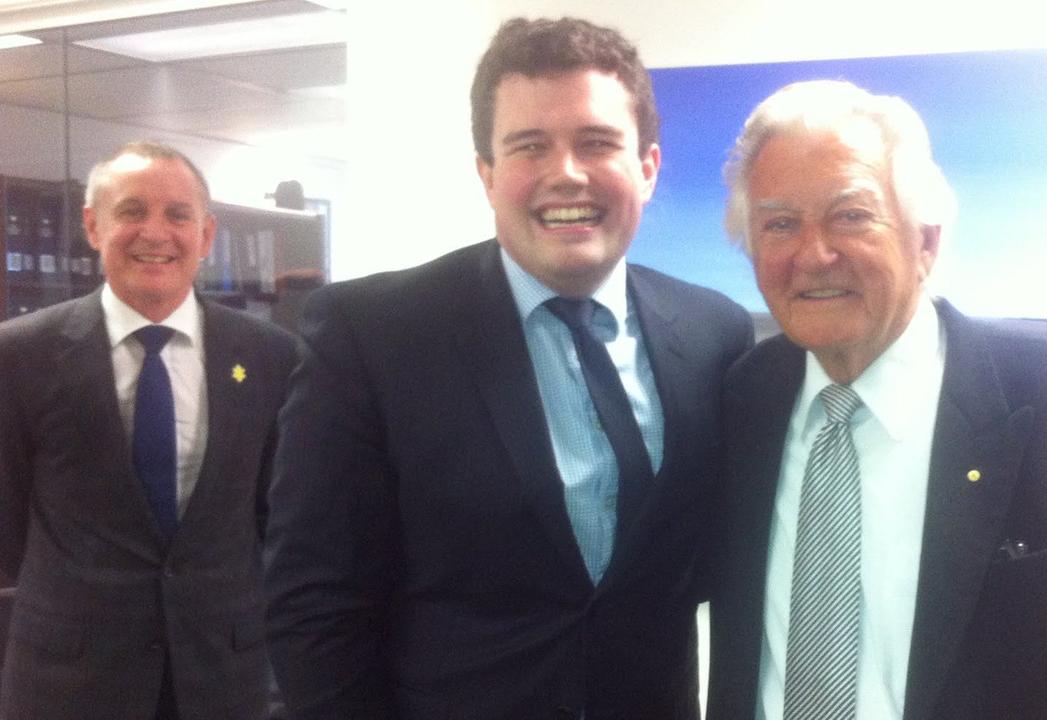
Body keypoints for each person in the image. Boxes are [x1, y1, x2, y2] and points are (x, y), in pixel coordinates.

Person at [264, 16, 753, 720]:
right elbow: (314, 600)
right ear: (487, 174)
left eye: (597, 143)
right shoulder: (371, 335)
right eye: (530, 146)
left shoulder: (715, 333)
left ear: (647, 167)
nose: (567, 174)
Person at [705, 80, 1047, 720]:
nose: (813, 254)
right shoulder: (742, 398)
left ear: (926, 241)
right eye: (779, 224)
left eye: (850, 215)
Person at [0, 141, 299, 719]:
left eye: (178, 215)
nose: (155, 233)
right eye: (132, 211)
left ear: (206, 235)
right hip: (70, 680)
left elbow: (275, 515)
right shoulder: (19, 355)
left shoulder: (270, 356)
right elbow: (7, 522)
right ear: (93, 226)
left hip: (223, 675)